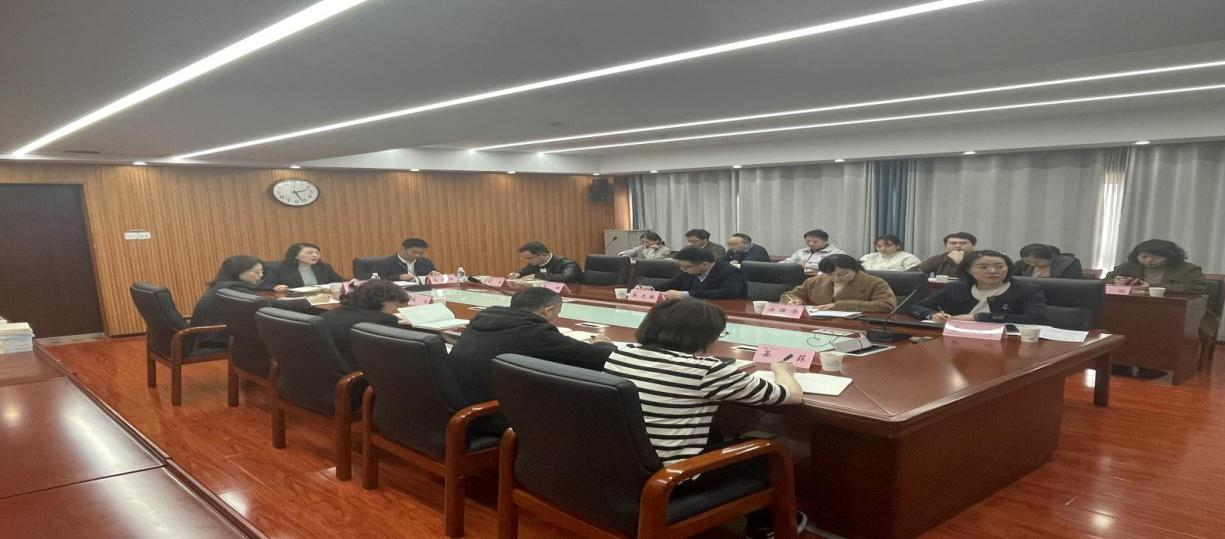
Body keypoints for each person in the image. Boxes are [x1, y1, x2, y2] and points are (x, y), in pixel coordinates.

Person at [602, 299, 804, 538]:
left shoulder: (621, 354)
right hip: (668, 481)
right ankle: (765, 527)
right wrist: (783, 371)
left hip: (622, 470)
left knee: (715, 435)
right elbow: (791, 395)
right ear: (705, 336)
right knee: (766, 455)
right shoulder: (707, 369)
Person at [449, 287, 616, 435]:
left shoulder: (484, 318)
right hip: (493, 417)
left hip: (459, 408)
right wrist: (604, 343)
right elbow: (600, 358)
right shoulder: (536, 332)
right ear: (549, 311)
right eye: (557, 314)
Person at [1103, 239, 1216, 379]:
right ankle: (1120, 362)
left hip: (1176, 312)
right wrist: (1115, 282)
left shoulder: (1188, 270)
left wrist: (1150, 286)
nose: (1149, 260)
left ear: (1170, 257)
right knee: (1119, 321)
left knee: (1153, 325)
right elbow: (1105, 280)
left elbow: (1196, 288)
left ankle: (1152, 364)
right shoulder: (1128, 267)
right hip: (1134, 309)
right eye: (1144, 256)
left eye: (1156, 257)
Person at [910, 250, 1047, 324]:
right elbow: (915, 307)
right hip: (958, 339)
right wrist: (933, 315)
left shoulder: (1026, 289)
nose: (993, 271)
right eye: (983, 267)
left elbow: (1035, 318)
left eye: (1000, 266)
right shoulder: (956, 288)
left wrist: (978, 317)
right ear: (968, 270)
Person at [319, 280, 409, 369]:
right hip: (359, 373)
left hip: (325, 370)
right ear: (384, 302)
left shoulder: (325, 316)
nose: (393, 309)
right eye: (395, 304)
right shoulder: (382, 321)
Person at [190, 255, 264, 348]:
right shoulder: (233, 288)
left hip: (205, 336)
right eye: (256, 272)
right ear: (238, 272)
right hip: (215, 338)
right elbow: (264, 304)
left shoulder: (221, 285)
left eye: (261, 271)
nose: (261, 275)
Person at [779, 254, 897, 312]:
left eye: (843, 274)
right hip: (817, 324)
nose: (836, 279)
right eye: (830, 275)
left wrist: (839, 305)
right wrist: (793, 300)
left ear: (855, 269)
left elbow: (887, 305)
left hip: (857, 327)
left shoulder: (875, 283)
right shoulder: (815, 280)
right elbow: (789, 295)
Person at [645, 246, 747, 299]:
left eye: (686, 267)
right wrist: (651, 289)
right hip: (694, 308)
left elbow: (727, 293)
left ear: (704, 264)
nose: (682, 269)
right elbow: (673, 283)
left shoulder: (730, 272)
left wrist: (686, 295)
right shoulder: (689, 270)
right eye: (680, 266)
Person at [263, 242, 345, 291]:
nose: (315, 255)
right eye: (309, 253)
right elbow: (264, 285)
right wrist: (275, 287)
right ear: (296, 255)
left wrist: (351, 282)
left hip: (322, 300)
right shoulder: (280, 269)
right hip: (296, 303)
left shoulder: (324, 267)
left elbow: (340, 281)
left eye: (317, 253)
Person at [355, 238, 442, 281]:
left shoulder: (425, 262)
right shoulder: (384, 263)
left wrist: (435, 273)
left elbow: (434, 274)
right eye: (414, 252)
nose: (418, 255)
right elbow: (376, 281)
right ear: (403, 249)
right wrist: (398, 277)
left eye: (421, 253)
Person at [507, 241, 582, 283]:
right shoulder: (534, 264)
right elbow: (526, 272)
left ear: (543, 255)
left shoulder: (568, 264)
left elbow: (565, 278)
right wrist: (517, 274)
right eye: (525, 259)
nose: (527, 261)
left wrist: (537, 275)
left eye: (529, 258)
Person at [912, 232, 977, 277]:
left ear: (973, 246)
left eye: (963, 243)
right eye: (953, 243)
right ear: (945, 246)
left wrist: (960, 262)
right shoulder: (938, 259)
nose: (958, 246)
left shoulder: (979, 259)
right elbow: (914, 272)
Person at [781, 229, 846, 271]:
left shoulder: (836, 252)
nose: (811, 244)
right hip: (797, 278)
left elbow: (835, 267)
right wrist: (776, 265)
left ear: (825, 241)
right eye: (808, 241)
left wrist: (806, 265)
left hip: (820, 280)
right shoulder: (801, 251)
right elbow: (789, 262)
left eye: (815, 241)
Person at [1013, 244, 1083, 279]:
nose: (1033, 264)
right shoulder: (1021, 264)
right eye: (1028, 261)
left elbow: (1070, 285)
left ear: (1051, 258)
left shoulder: (1067, 264)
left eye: (1038, 262)